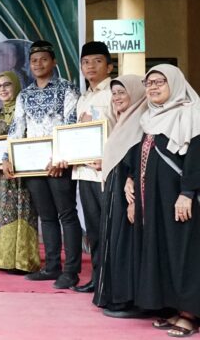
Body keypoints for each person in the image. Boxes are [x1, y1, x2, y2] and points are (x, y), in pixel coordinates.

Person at [3, 40, 81, 289]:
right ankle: (51, 267)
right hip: (32, 165)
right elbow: (17, 129)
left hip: (59, 163)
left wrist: (61, 156)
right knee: (46, 217)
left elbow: (71, 125)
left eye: (43, 59)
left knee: (67, 215)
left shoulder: (67, 89)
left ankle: (71, 271)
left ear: (53, 62)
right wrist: (8, 159)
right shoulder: (24, 94)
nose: (38, 64)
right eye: (34, 61)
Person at [132, 65, 200, 337]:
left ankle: (189, 313)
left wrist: (187, 193)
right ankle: (171, 306)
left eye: (160, 82)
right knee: (163, 249)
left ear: (175, 83)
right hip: (155, 198)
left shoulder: (191, 112)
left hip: (180, 197)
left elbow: (196, 159)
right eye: (149, 83)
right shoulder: (150, 116)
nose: (153, 87)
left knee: (185, 252)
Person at [92, 75, 146, 317]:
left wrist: (131, 179)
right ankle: (113, 295)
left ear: (135, 93)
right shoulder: (122, 121)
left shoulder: (142, 121)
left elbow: (137, 158)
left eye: (122, 92)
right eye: (114, 94)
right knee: (113, 241)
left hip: (129, 193)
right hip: (115, 190)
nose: (117, 98)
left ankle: (128, 299)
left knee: (126, 244)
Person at [0, 72, 40, 272]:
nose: (2, 89)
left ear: (16, 86)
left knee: (18, 212)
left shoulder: (23, 110)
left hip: (17, 173)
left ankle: (20, 260)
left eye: (7, 85)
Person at [69, 41, 116, 293]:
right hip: (84, 172)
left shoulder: (114, 93)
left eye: (97, 61)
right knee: (94, 229)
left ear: (109, 66)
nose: (91, 66)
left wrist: (108, 159)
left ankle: (111, 282)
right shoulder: (83, 97)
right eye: (86, 62)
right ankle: (98, 279)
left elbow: (122, 132)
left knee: (109, 228)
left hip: (106, 173)